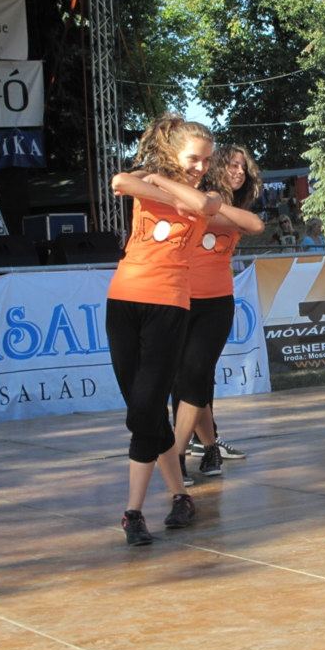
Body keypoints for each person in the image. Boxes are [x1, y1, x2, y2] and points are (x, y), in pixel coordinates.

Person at [106, 114, 223, 545]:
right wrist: (157, 181)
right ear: (174, 154)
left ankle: (133, 512)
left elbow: (204, 207)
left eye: (207, 160)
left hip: (170, 305)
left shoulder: (208, 194)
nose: (201, 167)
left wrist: (158, 182)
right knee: (146, 411)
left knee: (144, 410)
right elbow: (120, 182)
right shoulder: (147, 179)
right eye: (193, 159)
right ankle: (180, 496)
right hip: (123, 300)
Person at [175, 144, 264, 487]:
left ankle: (179, 455)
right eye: (231, 165)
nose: (239, 171)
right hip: (181, 297)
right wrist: (211, 205)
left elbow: (255, 224)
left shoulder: (228, 206)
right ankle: (209, 447)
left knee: (197, 375)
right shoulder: (198, 197)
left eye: (243, 167)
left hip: (217, 301)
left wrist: (218, 206)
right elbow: (203, 212)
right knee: (187, 378)